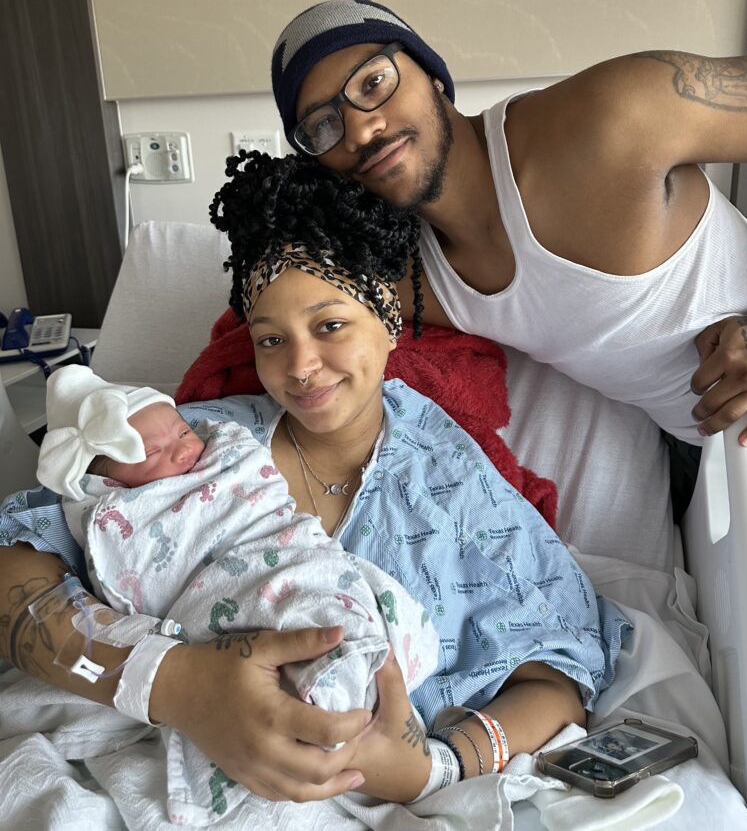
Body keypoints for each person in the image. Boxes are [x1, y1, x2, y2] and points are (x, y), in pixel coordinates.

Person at [0, 152, 630, 815]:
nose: (299, 367)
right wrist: (178, 685)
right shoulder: (194, 447)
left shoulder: (451, 485)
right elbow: (16, 560)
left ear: (387, 314)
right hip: (130, 755)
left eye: (329, 326)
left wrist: (433, 768)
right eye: (270, 339)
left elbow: (560, 680)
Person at [269, 0, 747, 453]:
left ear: (431, 73)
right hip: (706, 469)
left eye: (373, 83)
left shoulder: (614, 117)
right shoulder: (405, 277)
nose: (360, 129)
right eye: (323, 126)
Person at [34, 364, 439, 825]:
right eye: (153, 451)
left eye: (182, 431)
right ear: (108, 482)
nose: (183, 448)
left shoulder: (232, 449)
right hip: (220, 599)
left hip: (292, 555)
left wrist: (426, 772)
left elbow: (269, 511)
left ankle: (348, 674)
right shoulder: (119, 515)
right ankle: (324, 693)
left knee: (329, 604)